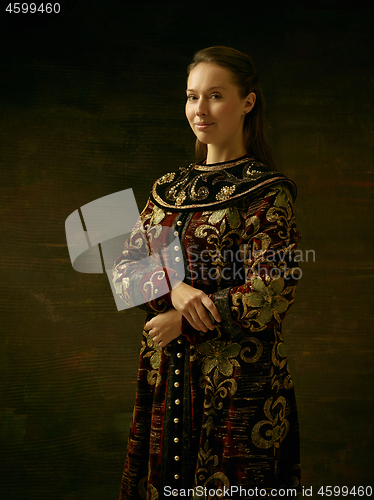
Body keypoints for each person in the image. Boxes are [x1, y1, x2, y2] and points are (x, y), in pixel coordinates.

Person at [112, 46, 302, 500]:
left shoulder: (267, 193)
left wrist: (184, 319)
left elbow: (269, 292)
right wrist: (175, 291)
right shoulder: (167, 190)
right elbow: (123, 271)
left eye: (214, 96)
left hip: (239, 380)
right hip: (165, 375)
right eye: (192, 96)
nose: (200, 110)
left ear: (247, 102)